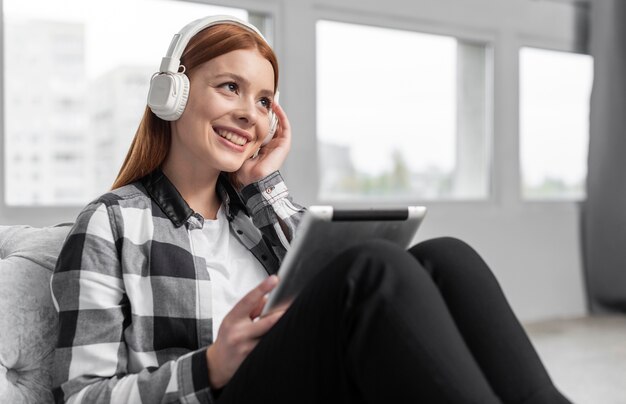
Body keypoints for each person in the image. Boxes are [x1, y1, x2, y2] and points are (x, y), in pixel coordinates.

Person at [51, 15, 572, 404]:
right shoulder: (111, 224)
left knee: (446, 258)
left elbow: (327, 298)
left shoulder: (252, 213)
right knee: (373, 269)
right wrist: (210, 366)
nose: (248, 115)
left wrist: (262, 183)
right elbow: (80, 396)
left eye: (262, 101)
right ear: (173, 94)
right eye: (230, 87)